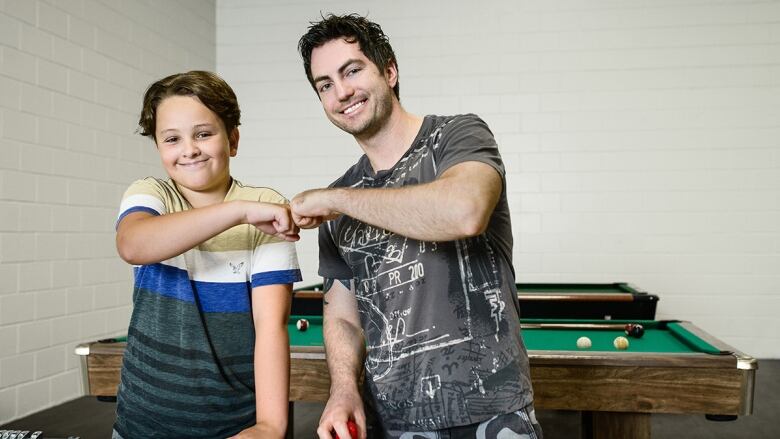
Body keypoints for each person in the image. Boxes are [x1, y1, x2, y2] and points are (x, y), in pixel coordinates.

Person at [292, 14, 542, 439]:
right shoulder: (337, 202)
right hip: (394, 423)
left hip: (493, 413)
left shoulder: (456, 136)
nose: (342, 92)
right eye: (325, 84)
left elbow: (465, 210)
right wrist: (343, 389)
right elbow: (343, 316)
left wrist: (335, 200)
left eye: (352, 70)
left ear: (389, 71)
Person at [112, 71, 302, 439]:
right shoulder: (152, 194)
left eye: (203, 134)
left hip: (233, 425)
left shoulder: (266, 206)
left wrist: (271, 425)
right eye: (172, 139)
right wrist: (238, 213)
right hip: (141, 424)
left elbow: (270, 326)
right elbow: (133, 245)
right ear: (158, 148)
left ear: (232, 140)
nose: (189, 149)